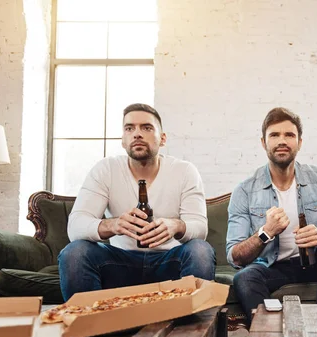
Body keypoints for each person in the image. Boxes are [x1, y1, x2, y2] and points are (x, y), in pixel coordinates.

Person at [58, 103, 215, 300]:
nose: (137, 134)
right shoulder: (105, 169)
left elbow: (200, 227)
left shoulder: (184, 171)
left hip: (169, 261)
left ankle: (191, 328)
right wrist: (112, 224)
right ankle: (90, 327)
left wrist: (176, 225)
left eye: (147, 128)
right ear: (123, 140)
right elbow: (75, 227)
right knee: (75, 252)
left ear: (162, 138)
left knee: (200, 250)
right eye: (129, 128)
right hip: (119, 262)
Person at [227, 107, 317, 321]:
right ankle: (272, 335)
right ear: (263, 143)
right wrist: (265, 233)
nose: (282, 141)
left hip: (313, 263)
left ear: (299, 142)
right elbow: (234, 257)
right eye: (274, 135)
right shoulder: (245, 190)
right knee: (244, 279)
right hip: (272, 267)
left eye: (289, 135)